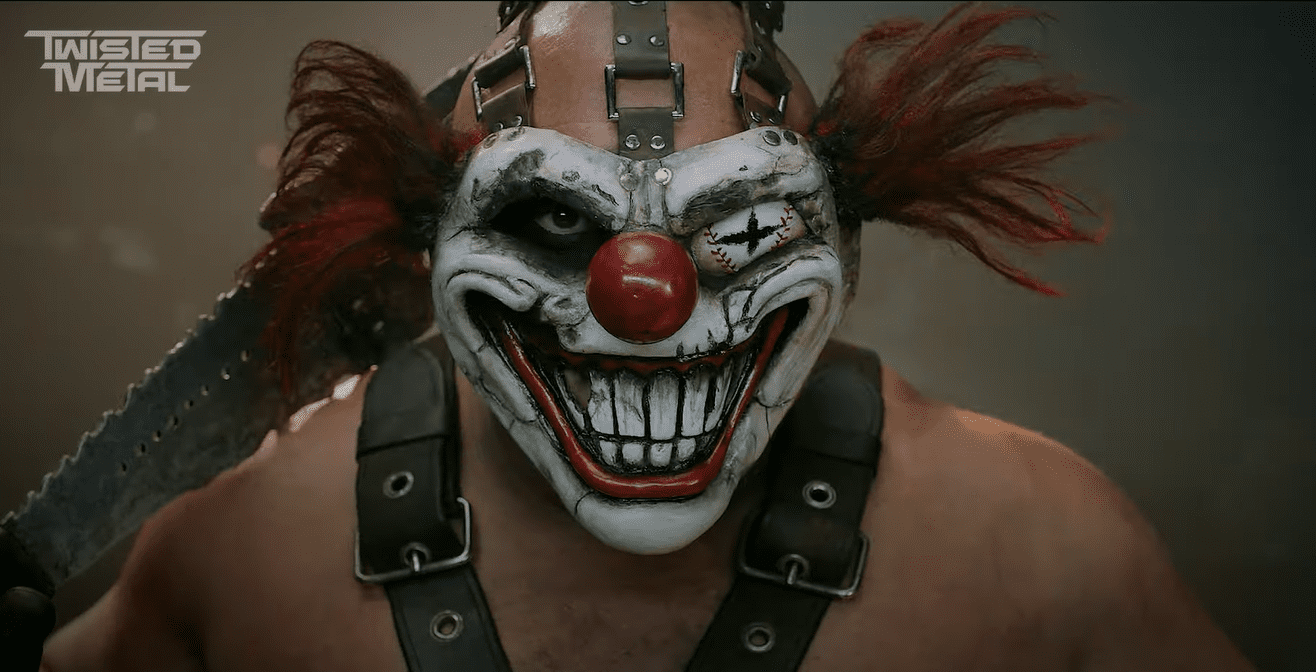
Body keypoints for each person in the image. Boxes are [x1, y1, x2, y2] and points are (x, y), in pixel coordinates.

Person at [5, 2, 1255, 670]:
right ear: (431, 244)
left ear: (842, 232)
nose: (640, 296)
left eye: (740, 225)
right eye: (554, 217)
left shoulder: (1042, 546)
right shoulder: (242, 546)